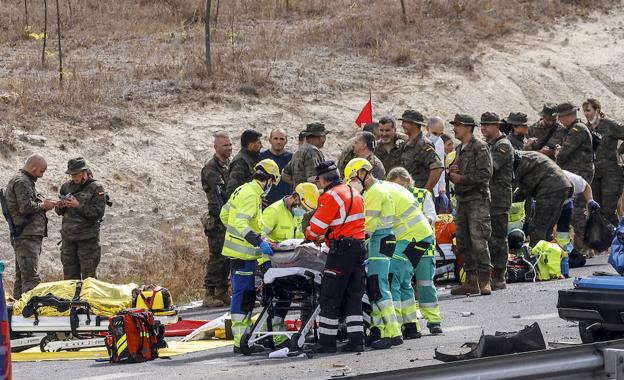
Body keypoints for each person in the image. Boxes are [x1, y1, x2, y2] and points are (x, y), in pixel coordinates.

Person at [305, 160, 367, 353]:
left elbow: (316, 227)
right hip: (358, 247)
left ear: (323, 180)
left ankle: (327, 341)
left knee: (330, 295)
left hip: (341, 251)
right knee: (353, 296)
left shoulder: (330, 196)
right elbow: (345, 223)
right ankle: (357, 340)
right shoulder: (354, 192)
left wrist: (311, 235)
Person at [220, 159, 281, 354]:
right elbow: (241, 224)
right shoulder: (251, 195)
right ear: (269, 180)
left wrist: (258, 237)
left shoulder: (243, 190)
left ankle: (244, 338)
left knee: (244, 295)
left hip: (240, 253)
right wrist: (257, 242)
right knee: (243, 296)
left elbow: (224, 214)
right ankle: (241, 342)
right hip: (242, 254)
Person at [344, 158, 402, 349]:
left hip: (380, 240)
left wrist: (349, 237)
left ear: (362, 173)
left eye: (353, 178)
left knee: (379, 287)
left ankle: (393, 332)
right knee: (375, 288)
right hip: (383, 240)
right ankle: (378, 330)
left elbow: (367, 226)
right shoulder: (376, 189)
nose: (352, 183)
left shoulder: (374, 193)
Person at [261, 182, 319, 347]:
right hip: (269, 260)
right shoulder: (273, 212)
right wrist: (273, 245)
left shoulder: (296, 213)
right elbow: (260, 236)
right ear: (295, 197)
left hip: (288, 261)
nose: (302, 211)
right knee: (283, 293)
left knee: (309, 287)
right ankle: (275, 332)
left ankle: (304, 328)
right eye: (302, 206)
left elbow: (298, 238)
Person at [386, 167, 443, 334]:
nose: (400, 189)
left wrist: (424, 221)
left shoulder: (422, 194)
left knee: (425, 284)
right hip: (403, 246)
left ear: (408, 182)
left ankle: (433, 321)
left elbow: (432, 215)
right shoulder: (390, 197)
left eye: (402, 185)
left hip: (423, 247)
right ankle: (410, 323)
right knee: (404, 284)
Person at [448, 114, 493, 296]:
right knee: (463, 241)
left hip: (477, 199)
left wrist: (462, 178)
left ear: (468, 127)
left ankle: (485, 280)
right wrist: (454, 171)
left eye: (458, 125)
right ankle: (471, 280)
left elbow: (485, 174)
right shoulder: (460, 149)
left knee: (479, 240)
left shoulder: (480, 147)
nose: (454, 128)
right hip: (462, 199)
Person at [5, 154, 57, 298]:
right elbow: (26, 207)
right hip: (26, 236)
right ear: (33, 167)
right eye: (41, 171)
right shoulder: (22, 181)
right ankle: (29, 315)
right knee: (30, 280)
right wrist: (44, 206)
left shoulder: (24, 180)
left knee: (22, 278)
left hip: (25, 235)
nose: (41, 175)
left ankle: (16, 313)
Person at [54, 157, 107, 281]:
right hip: (68, 239)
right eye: (71, 174)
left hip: (87, 240)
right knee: (69, 278)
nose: (74, 177)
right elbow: (59, 212)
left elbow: (98, 213)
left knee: (89, 278)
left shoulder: (96, 188)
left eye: (76, 174)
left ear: (84, 172)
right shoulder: (66, 187)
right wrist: (60, 206)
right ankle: (72, 301)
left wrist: (78, 206)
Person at [554, 102, 595, 254]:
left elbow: (564, 154)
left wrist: (558, 154)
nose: (559, 120)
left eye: (560, 117)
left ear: (567, 116)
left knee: (576, 211)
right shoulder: (572, 129)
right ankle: (585, 244)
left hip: (579, 174)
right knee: (575, 211)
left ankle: (588, 243)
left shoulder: (577, 130)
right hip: (576, 173)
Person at [479, 112, 514, 290]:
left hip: (499, 198)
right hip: (488, 197)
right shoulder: (488, 145)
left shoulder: (503, 146)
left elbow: (489, 167)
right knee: (488, 236)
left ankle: (499, 275)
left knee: (498, 238)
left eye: (487, 124)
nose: (483, 128)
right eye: (482, 125)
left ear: (497, 126)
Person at [512, 151, 573, 246]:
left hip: (551, 188)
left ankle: (537, 257)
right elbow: (523, 190)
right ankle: (551, 256)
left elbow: (513, 187)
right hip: (561, 186)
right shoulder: (526, 157)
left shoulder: (519, 162)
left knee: (537, 227)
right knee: (547, 229)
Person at [200, 131, 233, 307]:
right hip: (217, 218)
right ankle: (210, 293)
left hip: (227, 216)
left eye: (229, 145)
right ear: (216, 147)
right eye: (225, 145)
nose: (229, 148)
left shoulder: (228, 165)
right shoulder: (211, 168)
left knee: (227, 257)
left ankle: (222, 291)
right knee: (217, 257)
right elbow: (221, 192)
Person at [583, 98, 624, 226]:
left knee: (608, 211)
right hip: (594, 175)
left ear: (597, 110)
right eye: (584, 111)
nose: (586, 113)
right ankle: (602, 243)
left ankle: (618, 241)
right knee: (596, 210)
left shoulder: (610, 125)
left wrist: (620, 150)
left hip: (611, 174)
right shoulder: (585, 128)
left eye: (588, 110)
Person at [555, 170, 600, 258]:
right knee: (545, 230)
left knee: (563, 231)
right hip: (546, 202)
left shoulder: (572, 179)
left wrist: (590, 200)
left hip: (567, 203)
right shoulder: (544, 180)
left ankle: (565, 253)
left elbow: (586, 186)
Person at [398, 110, 444, 192]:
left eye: (405, 122)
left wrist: (425, 192)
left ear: (414, 124)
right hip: (407, 194)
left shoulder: (423, 144)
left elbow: (438, 168)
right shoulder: (408, 143)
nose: (402, 125)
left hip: (417, 196)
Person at [259, 128, 294, 205]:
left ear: (286, 141)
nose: (278, 142)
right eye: (275, 138)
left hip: (286, 204)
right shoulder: (260, 157)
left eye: (282, 139)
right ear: (270, 140)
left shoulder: (293, 158)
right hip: (266, 204)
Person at [225, 130, 263, 199]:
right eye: (259, 143)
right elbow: (233, 190)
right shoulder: (240, 161)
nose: (261, 146)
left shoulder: (252, 159)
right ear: (251, 144)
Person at [426, 117, 450, 214]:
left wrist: (442, 189)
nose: (437, 136)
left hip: (434, 190)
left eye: (440, 134)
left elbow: (441, 166)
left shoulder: (439, 142)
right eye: (435, 133)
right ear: (428, 128)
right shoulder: (420, 141)